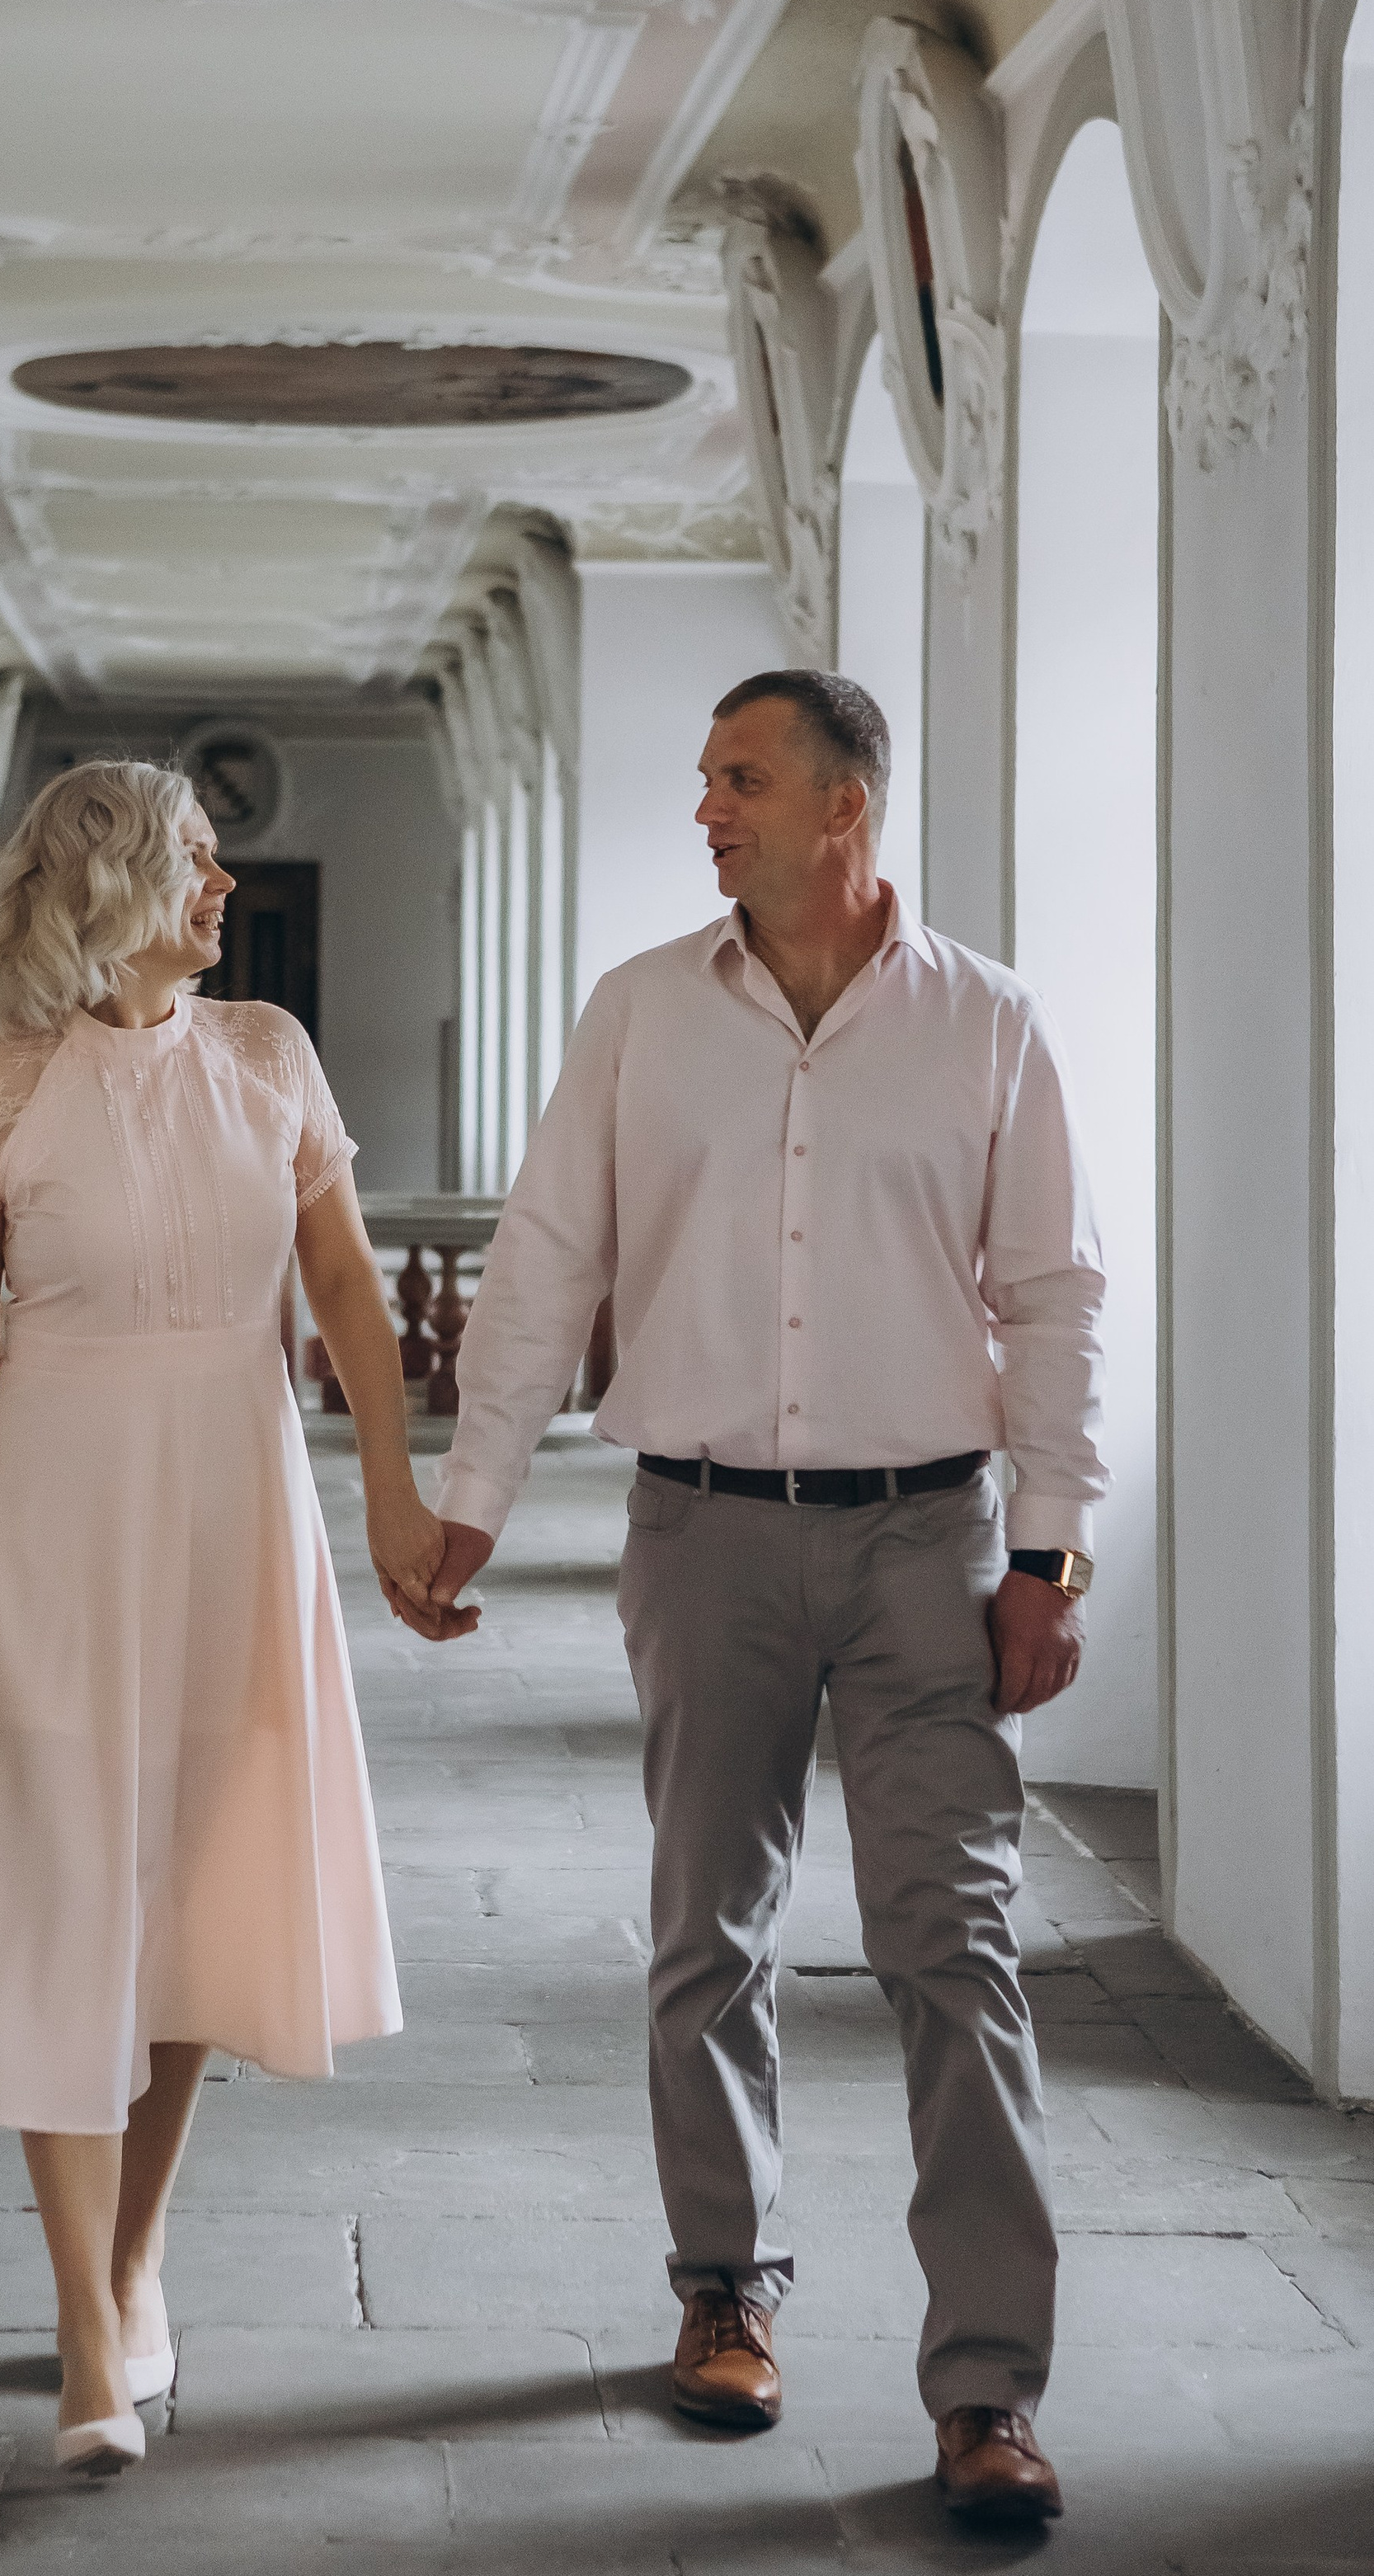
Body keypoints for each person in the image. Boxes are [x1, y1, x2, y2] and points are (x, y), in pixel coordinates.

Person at [393, 671, 1104, 2531]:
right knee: (707, 1927)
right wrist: (471, 1501)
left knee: (956, 1946)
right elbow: (547, 1259)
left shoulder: (987, 1020)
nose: (707, 807)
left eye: (741, 778)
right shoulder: (641, 1011)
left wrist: (1048, 1553)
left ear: (843, 807)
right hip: (701, 1531)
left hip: (926, 1539)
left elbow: (1052, 1298)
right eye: (708, 778)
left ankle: (988, 2390)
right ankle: (723, 2289)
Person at [0, 759, 443, 2475]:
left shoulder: (268, 1055)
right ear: (107, 884)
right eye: (195, 856)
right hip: (47, 1522)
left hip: (234, 1513)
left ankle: (133, 2261)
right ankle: (81, 2331)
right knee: (51, 1885)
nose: (223, 884)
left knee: (194, 1882)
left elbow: (342, 1284)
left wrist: (392, 1493)